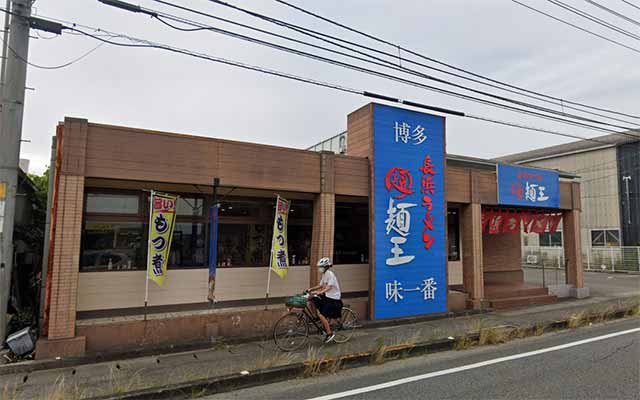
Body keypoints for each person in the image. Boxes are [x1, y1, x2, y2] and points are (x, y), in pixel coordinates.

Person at [307, 257, 343, 343]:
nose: (319, 268)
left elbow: (328, 287)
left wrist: (320, 292)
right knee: (312, 299)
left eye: (321, 267)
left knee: (322, 315)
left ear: (326, 267)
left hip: (334, 298)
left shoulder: (330, 274)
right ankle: (318, 318)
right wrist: (310, 289)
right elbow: (320, 285)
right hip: (327, 296)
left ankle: (329, 333)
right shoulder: (324, 274)